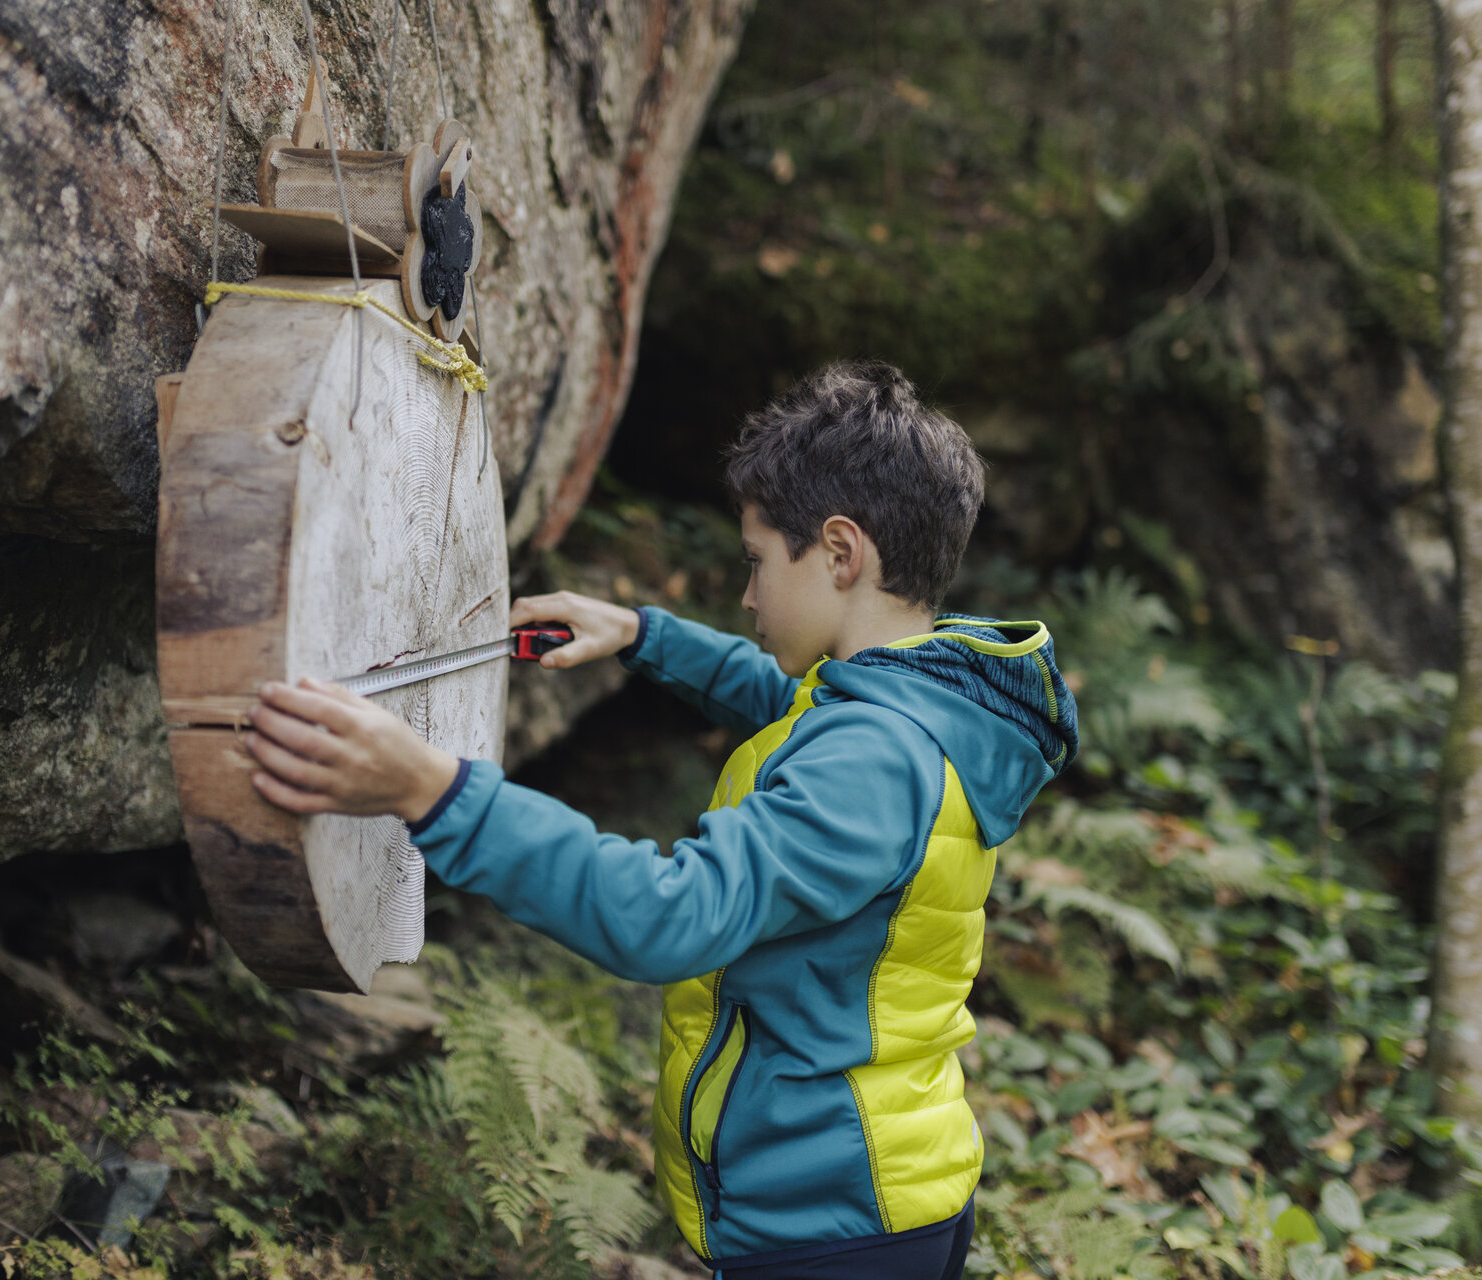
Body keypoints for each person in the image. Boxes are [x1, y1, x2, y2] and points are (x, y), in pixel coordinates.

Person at [241, 361, 1079, 1279]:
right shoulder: (916, 703)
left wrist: (433, 793)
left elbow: (671, 916)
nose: (749, 596)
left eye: (758, 561)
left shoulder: (872, 763)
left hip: (831, 1226)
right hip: (872, 1193)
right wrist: (642, 637)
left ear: (841, 553)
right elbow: (795, 707)